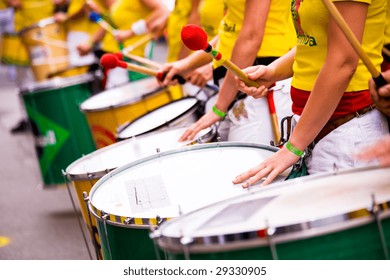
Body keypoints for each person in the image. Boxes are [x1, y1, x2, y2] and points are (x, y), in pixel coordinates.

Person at [233, 0, 388, 187]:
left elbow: (343, 62)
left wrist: (293, 146)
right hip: (313, 128)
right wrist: (273, 71)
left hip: (347, 130)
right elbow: (316, 40)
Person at [161, 0, 295, 144]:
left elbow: (251, 36)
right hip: (233, 84)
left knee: (247, 163)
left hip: (256, 81)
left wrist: (219, 107)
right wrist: (186, 65)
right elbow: (230, 30)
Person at [77, 0, 169, 88]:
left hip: (132, 59)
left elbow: (162, 10)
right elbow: (111, 23)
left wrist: (130, 32)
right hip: (116, 57)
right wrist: (90, 42)